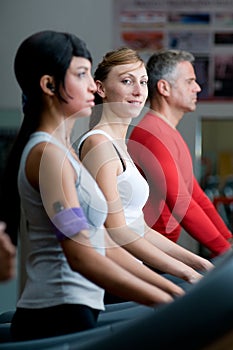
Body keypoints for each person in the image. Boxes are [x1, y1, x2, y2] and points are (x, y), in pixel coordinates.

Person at [0, 30, 187, 341]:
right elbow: (81, 255)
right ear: (49, 85)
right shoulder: (48, 156)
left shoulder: (65, 153)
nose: (91, 86)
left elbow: (102, 243)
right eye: (81, 74)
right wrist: (165, 298)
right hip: (56, 314)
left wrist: (171, 287)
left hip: (79, 308)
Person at [77, 47, 213, 303]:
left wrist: (199, 264)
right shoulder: (99, 145)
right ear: (101, 88)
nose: (139, 91)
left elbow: (137, 226)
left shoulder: (122, 146)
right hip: (111, 280)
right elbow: (116, 231)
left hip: (129, 270)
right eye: (127, 81)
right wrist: (185, 273)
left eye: (143, 82)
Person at [128, 49, 232, 258]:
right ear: (164, 87)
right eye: (189, 81)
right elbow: (181, 201)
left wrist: (227, 239)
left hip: (161, 252)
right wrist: (224, 251)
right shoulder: (153, 135)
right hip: (147, 256)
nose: (197, 88)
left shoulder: (167, 132)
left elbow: (196, 195)